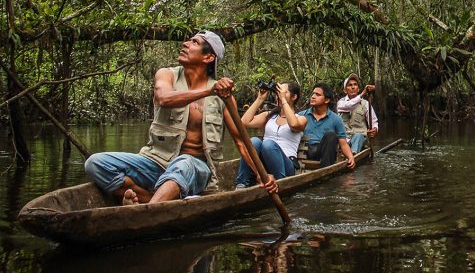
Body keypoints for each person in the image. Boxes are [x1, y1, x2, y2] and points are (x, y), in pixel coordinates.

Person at [85, 31, 276, 205]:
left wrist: (261, 175)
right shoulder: (166, 74)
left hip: (195, 167)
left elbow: (241, 142)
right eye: (188, 40)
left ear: (208, 57)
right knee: (95, 164)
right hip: (155, 161)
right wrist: (209, 91)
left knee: (184, 162)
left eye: (194, 42)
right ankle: (151, 200)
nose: (185, 43)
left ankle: (146, 211)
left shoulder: (223, 97)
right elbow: (164, 99)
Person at [234, 82, 304, 188]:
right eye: (277, 93)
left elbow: (293, 124)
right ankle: (242, 183)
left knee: (268, 144)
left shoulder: (300, 119)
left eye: (283, 92)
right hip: (264, 165)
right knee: (254, 141)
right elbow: (244, 123)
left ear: (294, 97)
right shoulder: (269, 116)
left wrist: (283, 100)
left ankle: (280, 182)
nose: (279, 96)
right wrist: (260, 99)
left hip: (286, 165)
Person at [285, 83, 356, 169]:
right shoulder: (301, 116)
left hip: (323, 152)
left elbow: (343, 143)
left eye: (317, 95)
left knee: (331, 135)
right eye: (313, 94)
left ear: (326, 100)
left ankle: (326, 171)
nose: (313, 96)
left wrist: (350, 157)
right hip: (305, 151)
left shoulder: (336, 119)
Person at [336, 73, 379, 153]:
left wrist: (374, 129)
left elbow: (373, 121)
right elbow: (349, 105)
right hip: (344, 139)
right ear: (345, 90)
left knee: (359, 136)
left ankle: (353, 155)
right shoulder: (341, 103)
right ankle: (349, 155)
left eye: (355, 85)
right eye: (349, 85)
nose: (353, 87)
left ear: (358, 89)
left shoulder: (365, 104)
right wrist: (363, 93)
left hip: (360, 138)